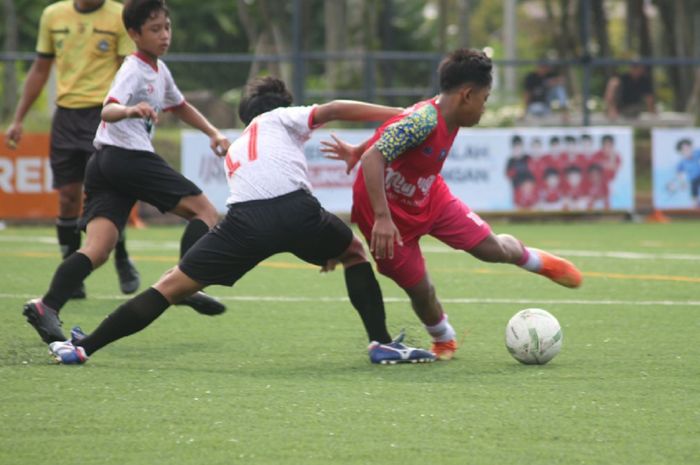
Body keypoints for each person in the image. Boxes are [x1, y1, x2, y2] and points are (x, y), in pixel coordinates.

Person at [47, 74, 436, 365]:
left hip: (244, 222)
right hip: (296, 211)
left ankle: (82, 348)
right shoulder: (282, 117)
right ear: (282, 105)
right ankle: (381, 343)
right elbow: (333, 110)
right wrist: (404, 113)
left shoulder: (237, 147)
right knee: (352, 252)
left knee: (169, 287)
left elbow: (259, 191)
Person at [322, 49, 582, 361]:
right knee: (421, 289)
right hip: (385, 217)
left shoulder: (442, 113)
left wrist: (358, 148)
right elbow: (373, 158)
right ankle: (444, 339)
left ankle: (539, 262)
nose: (484, 108)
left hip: (430, 197)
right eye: (484, 100)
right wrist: (382, 215)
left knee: (492, 249)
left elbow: (386, 137)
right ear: (467, 95)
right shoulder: (424, 120)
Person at [23, 0, 231, 346]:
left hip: (104, 163)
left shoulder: (159, 70)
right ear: (133, 34)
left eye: (167, 27)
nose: (164, 35)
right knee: (205, 211)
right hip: (127, 157)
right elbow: (107, 110)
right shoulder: (134, 68)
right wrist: (131, 110)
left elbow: (179, 105)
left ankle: (47, 305)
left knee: (99, 248)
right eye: (155, 29)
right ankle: (183, 284)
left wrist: (213, 132)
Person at [5, 0, 140, 299]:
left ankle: (121, 257)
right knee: (67, 198)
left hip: (104, 115)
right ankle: (72, 274)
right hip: (65, 117)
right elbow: (40, 70)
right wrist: (18, 119)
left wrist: (131, 114)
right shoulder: (53, 15)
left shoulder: (119, 15)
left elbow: (129, 72)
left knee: (107, 193)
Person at [666, 139, 700, 208]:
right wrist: (682, 182)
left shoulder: (697, 153)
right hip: (693, 179)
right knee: (694, 191)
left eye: (688, 148)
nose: (687, 151)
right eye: (684, 150)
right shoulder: (682, 162)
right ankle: (696, 206)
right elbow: (678, 172)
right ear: (681, 152)